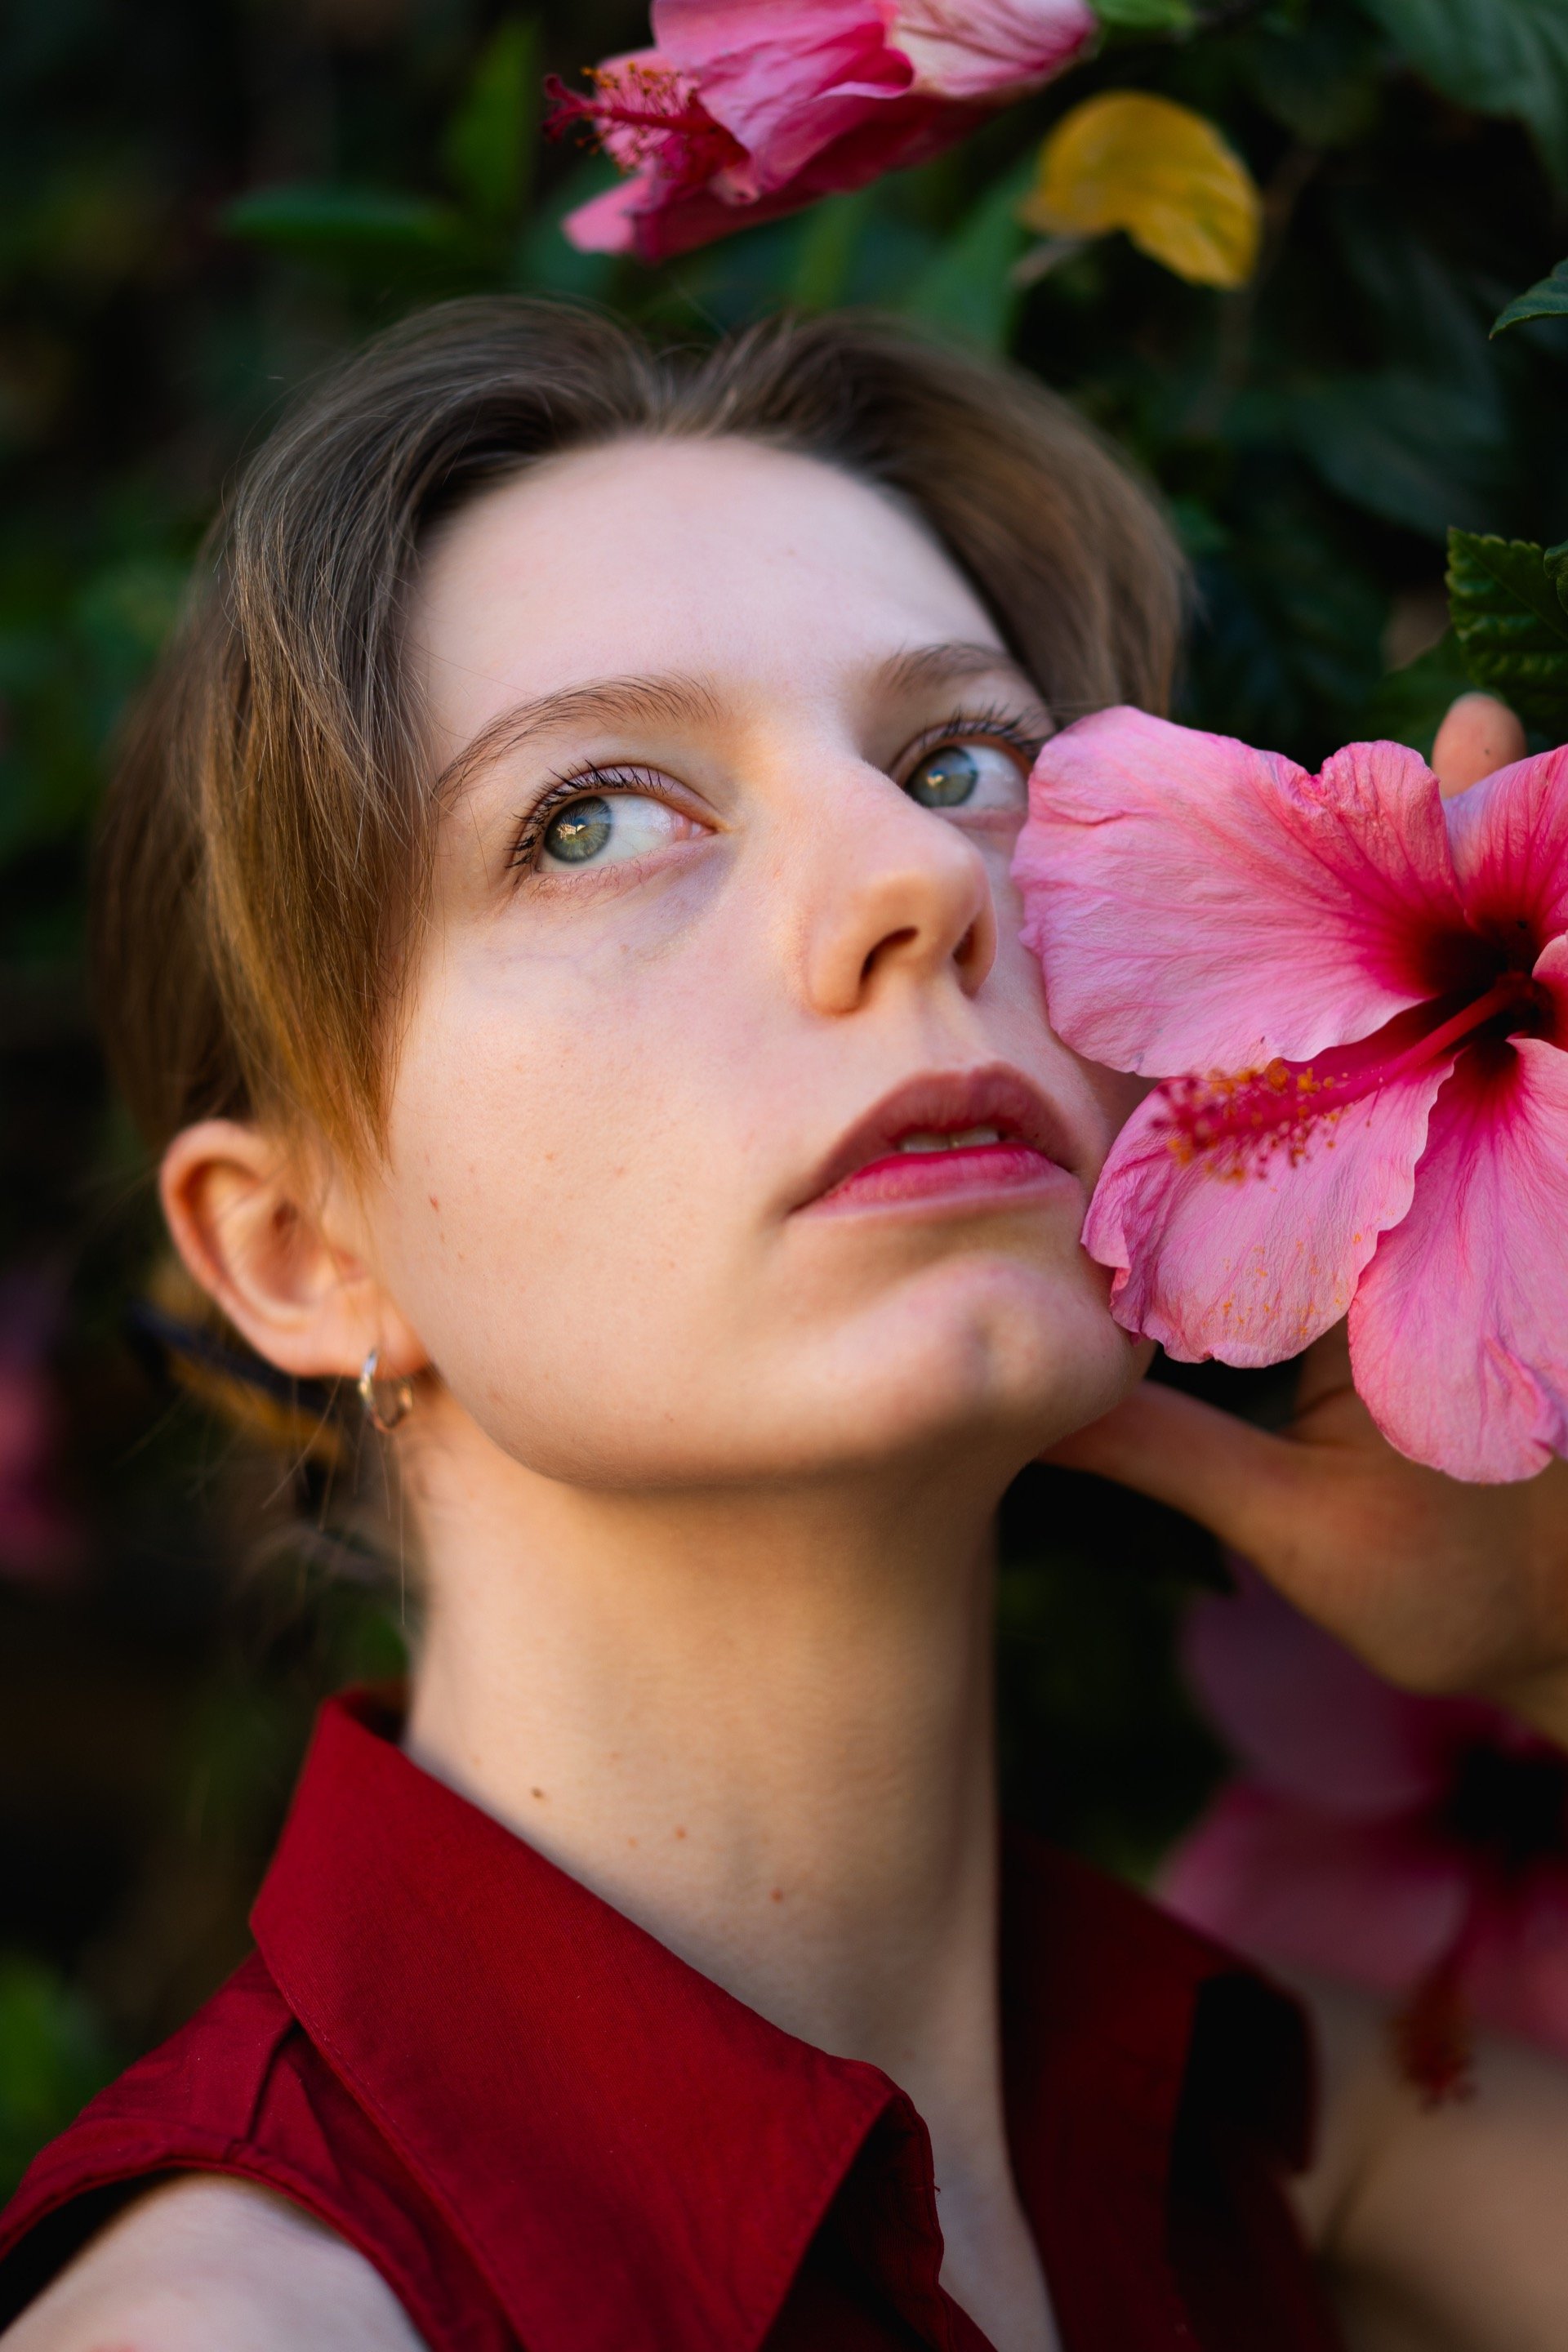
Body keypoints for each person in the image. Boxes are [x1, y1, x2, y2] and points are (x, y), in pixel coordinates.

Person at [0, 301, 1564, 2352]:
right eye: (591, 817)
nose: (920, 872)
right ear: (302, 1253)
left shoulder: (1288, 2138)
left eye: (967, 760)